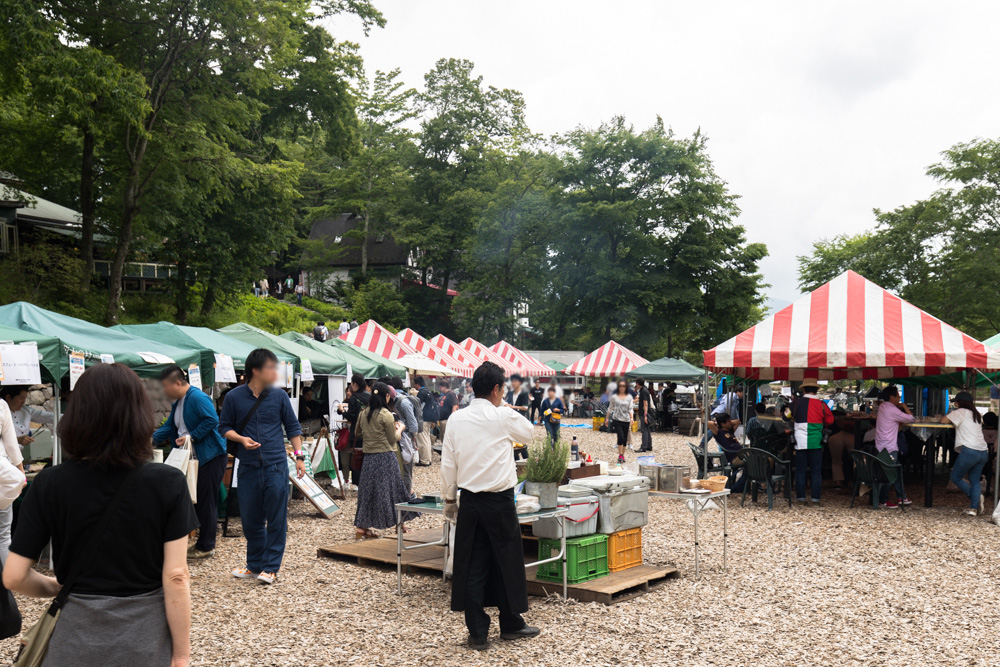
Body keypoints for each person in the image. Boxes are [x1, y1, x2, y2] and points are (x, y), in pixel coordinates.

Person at [5, 363, 197, 666]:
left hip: (73, 638)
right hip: (144, 640)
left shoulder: (50, 483)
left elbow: (14, 576)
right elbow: (176, 576)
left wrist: (58, 586)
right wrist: (182, 655)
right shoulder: (167, 482)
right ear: (139, 413)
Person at [441, 361, 539, 650]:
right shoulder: (502, 416)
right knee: (507, 560)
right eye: (503, 388)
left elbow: (449, 463)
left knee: (473, 564)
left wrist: (449, 498)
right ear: (497, 389)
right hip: (498, 500)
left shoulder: (457, 419)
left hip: (470, 501)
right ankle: (511, 623)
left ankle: (477, 632)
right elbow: (529, 433)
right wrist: (504, 406)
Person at [219, 349, 305, 584]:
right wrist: (241, 440)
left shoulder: (279, 396)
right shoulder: (234, 397)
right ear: (255, 371)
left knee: (277, 519)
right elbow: (223, 427)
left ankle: (270, 567)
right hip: (247, 467)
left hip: (276, 465)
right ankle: (254, 564)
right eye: (271, 367)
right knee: (250, 519)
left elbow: (293, 427)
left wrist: (299, 457)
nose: (275, 372)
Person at [153, 365, 228, 559]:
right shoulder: (178, 402)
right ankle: (201, 541)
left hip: (210, 457)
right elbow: (171, 426)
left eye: (165, 386)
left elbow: (212, 420)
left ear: (178, 383)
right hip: (193, 457)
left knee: (205, 500)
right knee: (195, 499)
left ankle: (206, 545)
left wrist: (191, 437)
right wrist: (150, 439)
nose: (164, 391)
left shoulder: (197, 397)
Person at [354, 382, 412, 539]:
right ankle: (401, 524)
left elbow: (357, 432)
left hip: (369, 458)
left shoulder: (363, 412)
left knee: (367, 492)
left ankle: (362, 527)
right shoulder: (386, 414)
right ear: (386, 396)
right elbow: (393, 439)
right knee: (394, 491)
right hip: (386, 457)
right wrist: (400, 428)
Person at [787, 377, 834, 504]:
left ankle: (801, 498)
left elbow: (785, 417)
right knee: (816, 472)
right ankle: (815, 498)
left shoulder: (795, 403)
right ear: (816, 391)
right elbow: (830, 421)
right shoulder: (822, 404)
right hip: (817, 442)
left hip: (800, 442)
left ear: (803, 390)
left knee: (801, 471)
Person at [942, 392, 988, 516]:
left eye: (955, 402)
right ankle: (973, 509)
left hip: (970, 451)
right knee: (974, 480)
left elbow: (943, 420)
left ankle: (976, 500)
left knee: (955, 477)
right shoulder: (976, 414)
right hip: (983, 451)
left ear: (959, 402)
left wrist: (950, 413)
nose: (955, 404)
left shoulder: (960, 412)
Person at [873, 385, 914, 508]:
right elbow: (911, 419)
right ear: (892, 397)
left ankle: (900, 497)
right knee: (889, 473)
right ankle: (883, 500)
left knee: (894, 471)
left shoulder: (883, 406)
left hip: (881, 444)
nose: (899, 398)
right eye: (898, 396)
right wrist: (905, 406)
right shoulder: (892, 409)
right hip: (889, 447)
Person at [0, 386, 54, 455]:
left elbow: (49, 417)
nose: (23, 402)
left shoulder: (26, 410)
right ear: (8, 397)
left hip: (17, 455)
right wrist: (17, 439)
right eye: (21, 398)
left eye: (25, 398)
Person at [0, 396, 23, 562]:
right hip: (3, 481)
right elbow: (11, 445)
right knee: (3, 536)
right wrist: (21, 475)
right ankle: (7, 585)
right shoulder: (1, 406)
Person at [388, 377, 419, 496]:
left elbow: (414, 425)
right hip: (396, 440)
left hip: (404, 440)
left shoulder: (403, 402)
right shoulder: (393, 402)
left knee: (406, 468)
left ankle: (408, 495)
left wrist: (406, 436)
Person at [338, 373, 371, 486]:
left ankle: (358, 484)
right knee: (368, 458)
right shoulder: (370, 397)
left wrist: (343, 411)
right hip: (370, 433)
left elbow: (351, 417)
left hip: (357, 433)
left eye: (351, 383)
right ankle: (368, 482)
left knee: (357, 458)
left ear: (355, 384)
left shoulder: (354, 398)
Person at [505, 375, 532, 460]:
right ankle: (516, 460)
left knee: (521, 441)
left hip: (520, 419)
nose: (513, 383)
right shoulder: (510, 392)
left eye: (515, 381)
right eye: (512, 381)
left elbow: (525, 407)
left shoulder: (524, 392)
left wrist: (512, 407)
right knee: (513, 441)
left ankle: (525, 460)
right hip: (511, 419)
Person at [607, 381, 633, 464]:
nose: (622, 387)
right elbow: (610, 407)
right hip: (617, 419)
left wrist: (632, 417)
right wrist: (606, 418)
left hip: (626, 420)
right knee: (620, 437)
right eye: (620, 386)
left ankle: (622, 455)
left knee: (625, 439)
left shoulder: (629, 397)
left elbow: (630, 408)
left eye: (624, 386)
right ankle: (620, 454)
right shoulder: (614, 397)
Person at [414, 377, 436, 466]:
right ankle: (428, 458)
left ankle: (425, 460)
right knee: (426, 439)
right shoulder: (428, 391)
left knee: (422, 439)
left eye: (414, 383)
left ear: (417, 384)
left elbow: (418, 406)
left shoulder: (421, 393)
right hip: (429, 418)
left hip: (423, 419)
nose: (414, 385)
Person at [437, 379, 459, 445]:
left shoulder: (451, 394)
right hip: (442, 420)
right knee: (443, 438)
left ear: (444, 386)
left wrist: (452, 419)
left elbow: (455, 406)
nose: (440, 389)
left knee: (447, 439)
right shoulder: (445, 395)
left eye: (440, 387)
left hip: (447, 420)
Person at [635, 378, 653, 452]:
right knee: (647, 429)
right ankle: (649, 446)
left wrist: (645, 415)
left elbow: (645, 403)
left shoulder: (644, 391)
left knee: (644, 430)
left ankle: (644, 447)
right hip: (644, 412)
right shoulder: (644, 390)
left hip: (644, 413)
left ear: (638, 383)